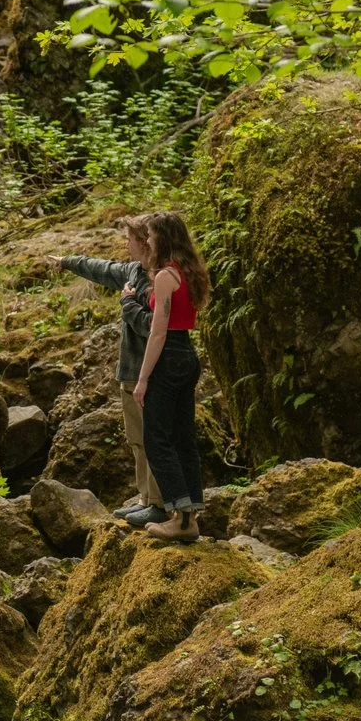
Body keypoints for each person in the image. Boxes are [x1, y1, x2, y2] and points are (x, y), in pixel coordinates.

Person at [54, 218, 165, 525]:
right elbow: (103, 269)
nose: (125, 244)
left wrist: (128, 304)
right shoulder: (132, 271)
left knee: (154, 438)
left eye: (129, 239)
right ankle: (146, 499)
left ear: (144, 242)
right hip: (130, 371)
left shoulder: (159, 280)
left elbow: (155, 327)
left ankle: (160, 503)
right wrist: (68, 262)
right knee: (137, 438)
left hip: (151, 372)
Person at [132, 210, 211, 542]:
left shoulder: (165, 276)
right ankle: (189, 516)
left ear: (162, 237)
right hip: (188, 355)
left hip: (170, 356)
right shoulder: (189, 273)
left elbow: (158, 333)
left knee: (156, 438)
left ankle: (179, 520)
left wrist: (143, 379)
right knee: (182, 437)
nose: (147, 240)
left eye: (150, 235)